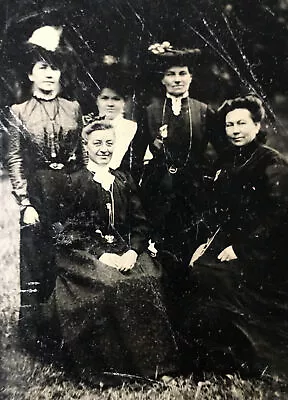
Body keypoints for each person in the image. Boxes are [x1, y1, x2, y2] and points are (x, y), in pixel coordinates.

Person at [41, 121, 179, 382]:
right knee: (111, 284)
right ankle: (115, 368)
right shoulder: (74, 181)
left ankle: (158, 366)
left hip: (124, 250)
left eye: (108, 143)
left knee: (148, 279)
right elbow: (71, 231)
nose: (104, 149)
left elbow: (140, 223)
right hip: (83, 252)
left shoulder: (123, 179)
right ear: (86, 146)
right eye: (97, 144)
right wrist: (102, 255)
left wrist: (132, 252)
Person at [183, 94, 288, 379]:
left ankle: (256, 355)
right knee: (198, 269)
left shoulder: (272, 162)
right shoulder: (227, 161)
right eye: (229, 125)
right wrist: (207, 244)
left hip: (271, 244)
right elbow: (222, 216)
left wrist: (240, 248)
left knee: (223, 277)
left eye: (242, 123)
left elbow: (275, 217)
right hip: (234, 238)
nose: (235, 130)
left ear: (257, 125)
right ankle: (222, 355)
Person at [6, 26, 84, 345]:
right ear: (31, 75)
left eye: (53, 68)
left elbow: (80, 155)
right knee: (36, 259)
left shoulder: (73, 108)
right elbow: (14, 161)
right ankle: (37, 334)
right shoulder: (17, 112)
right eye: (42, 68)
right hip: (37, 194)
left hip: (68, 189)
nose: (49, 74)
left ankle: (70, 327)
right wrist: (25, 203)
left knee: (68, 254)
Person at [135, 42, 225, 267]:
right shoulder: (150, 111)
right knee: (161, 242)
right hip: (159, 186)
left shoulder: (203, 110)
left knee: (191, 240)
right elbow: (136, 153)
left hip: (194, 187)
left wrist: (210, 175)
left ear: (191, 77)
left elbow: (222, 150)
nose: (177, 79)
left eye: (182, 73)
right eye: (170, 74)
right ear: (162, 79)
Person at [83, 57, 137, 172]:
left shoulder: (131, 128)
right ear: (96, 100)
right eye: (105, 98)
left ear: (124, 102)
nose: (110, 104)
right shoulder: (85, 125)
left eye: (116, 99)